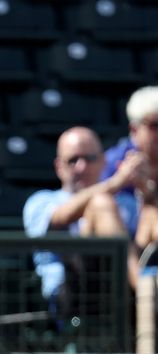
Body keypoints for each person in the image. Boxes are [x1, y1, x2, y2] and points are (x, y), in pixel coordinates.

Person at [23, 126, 142, 309]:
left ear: (103, 162)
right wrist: (115, 182)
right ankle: (147, 293)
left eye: (90, 158)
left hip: (124, 294)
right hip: (72, 299)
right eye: (73, 160)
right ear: (58, 166)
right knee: (101, 204)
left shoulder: (127, 203)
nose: (82, 166)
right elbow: (62, 216)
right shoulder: (41, 201)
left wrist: (148, 192)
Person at [104, 86, 158, 248]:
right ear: (134, 129)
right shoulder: (112, 162)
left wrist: (148, 190)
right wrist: (119, 181)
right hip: (122, 247)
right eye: (155, 125)